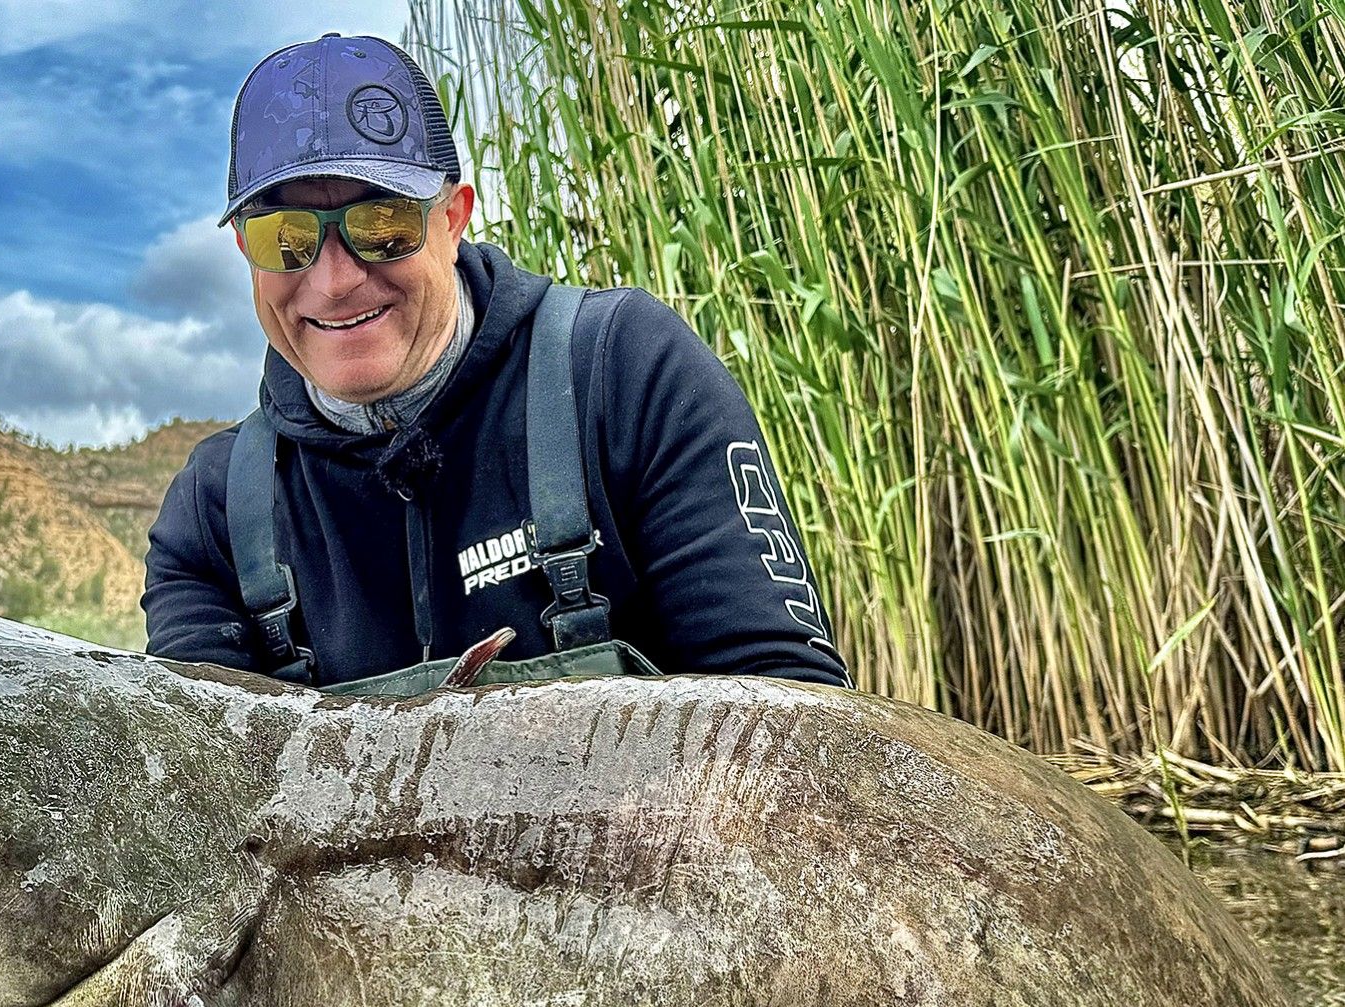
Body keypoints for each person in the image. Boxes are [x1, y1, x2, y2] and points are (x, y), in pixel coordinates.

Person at [143, 32, 850, 697]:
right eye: (286, 235)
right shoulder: (211, 513)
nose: (333, 281)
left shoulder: (625, 372)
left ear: (452, 219)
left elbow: (785, 715)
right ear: (245, 251)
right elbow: (202, 794)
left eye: (380, 224)